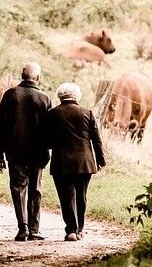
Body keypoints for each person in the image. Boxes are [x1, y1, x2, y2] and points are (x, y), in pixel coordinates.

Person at [0, 62, 52, 241]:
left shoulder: (10, 95)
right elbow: (49, 130)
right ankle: (35, 229)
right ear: (38, 78)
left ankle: (23, 227)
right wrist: (49, 149)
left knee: (18, 187)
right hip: (38, 152)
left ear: (21, 75)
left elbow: (1, 127)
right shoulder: (44, 98)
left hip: (15, 151)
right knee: (35, 189)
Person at [46, 82, 106, 241]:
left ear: (60, 96)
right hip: (84, 162)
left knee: (66, 197)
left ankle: (71, 230)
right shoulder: (88, 113)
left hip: (61, 162)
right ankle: (80, 229)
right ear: (77, 96)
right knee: (81, 195)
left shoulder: (52, 114)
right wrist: (100, 160)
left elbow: (47, 140)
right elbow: (96, 140)